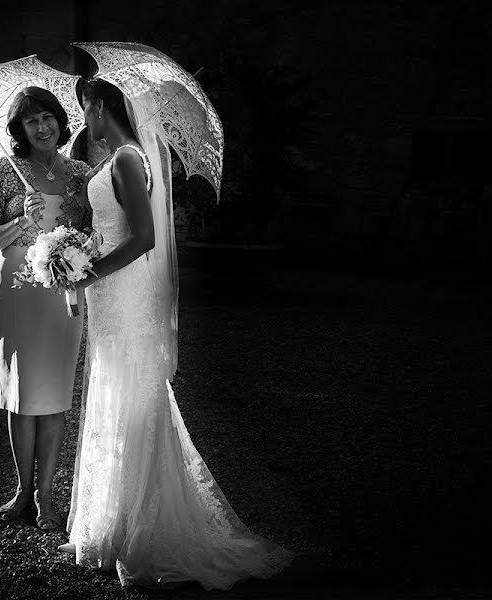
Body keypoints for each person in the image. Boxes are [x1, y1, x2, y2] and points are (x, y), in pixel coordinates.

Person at [60, 78, 293, 589]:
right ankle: (115, 524)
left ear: (99, 107)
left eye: (84, 110)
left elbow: (143, 238)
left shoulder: (125, 159)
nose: (83, 121)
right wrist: (73, 250)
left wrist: (87, 271)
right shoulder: (124, 156)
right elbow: (117, 228)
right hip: (113, 297)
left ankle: (143, 529)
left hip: (120, 296)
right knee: (116, 397)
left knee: (132, 399)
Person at [0, 86, 92, 530]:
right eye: (31, 121)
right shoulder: (4, 171)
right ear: (19, 129)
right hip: (16, 290)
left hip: (63, 291)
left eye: (47, 118)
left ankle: (47, 497)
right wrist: (20, 220)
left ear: (61, 122)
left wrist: (75, 246)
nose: (42, 127)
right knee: (22, 397)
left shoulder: (81, 173)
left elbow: (92, 234)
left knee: (56, 397)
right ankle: (23, 490)